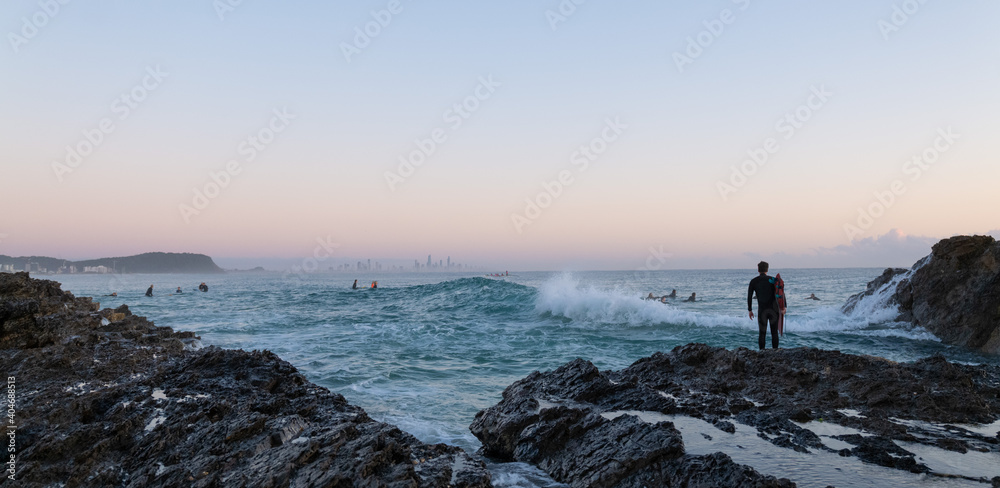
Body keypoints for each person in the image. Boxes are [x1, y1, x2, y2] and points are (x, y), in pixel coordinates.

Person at [748, 261, 785, 350]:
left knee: (762, 333)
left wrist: (750, 310)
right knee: (774, 333)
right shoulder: (773, 280)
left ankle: (762, 353)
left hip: (762, 311)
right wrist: (784, 307)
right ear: (767, 269)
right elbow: (782, 293)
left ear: (758, 269)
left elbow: (749, 296)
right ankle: (775, 352)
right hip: (774, 310)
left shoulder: (754, 281)